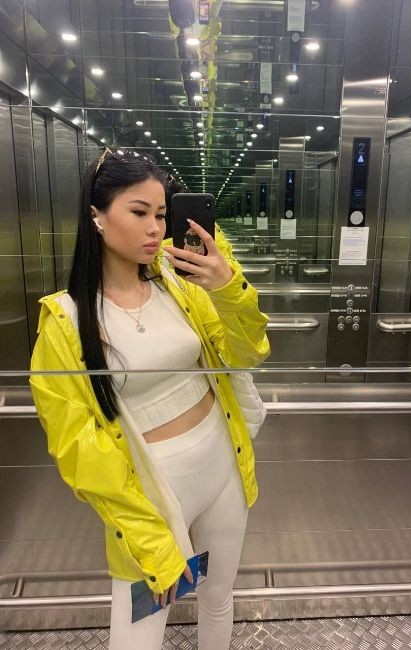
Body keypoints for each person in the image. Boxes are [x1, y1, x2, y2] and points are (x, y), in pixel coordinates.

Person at [29, 148, 270, 650]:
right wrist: (150, 539)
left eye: (161, 214)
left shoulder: (181, 287)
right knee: (136, 638)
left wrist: (227, 288)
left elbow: (248, 353)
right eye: (139, 212)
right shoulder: (66, 321)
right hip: (151, 497)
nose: (155, 228)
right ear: (96, 216)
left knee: (218, 597)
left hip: (222, 464)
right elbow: (79, 449)